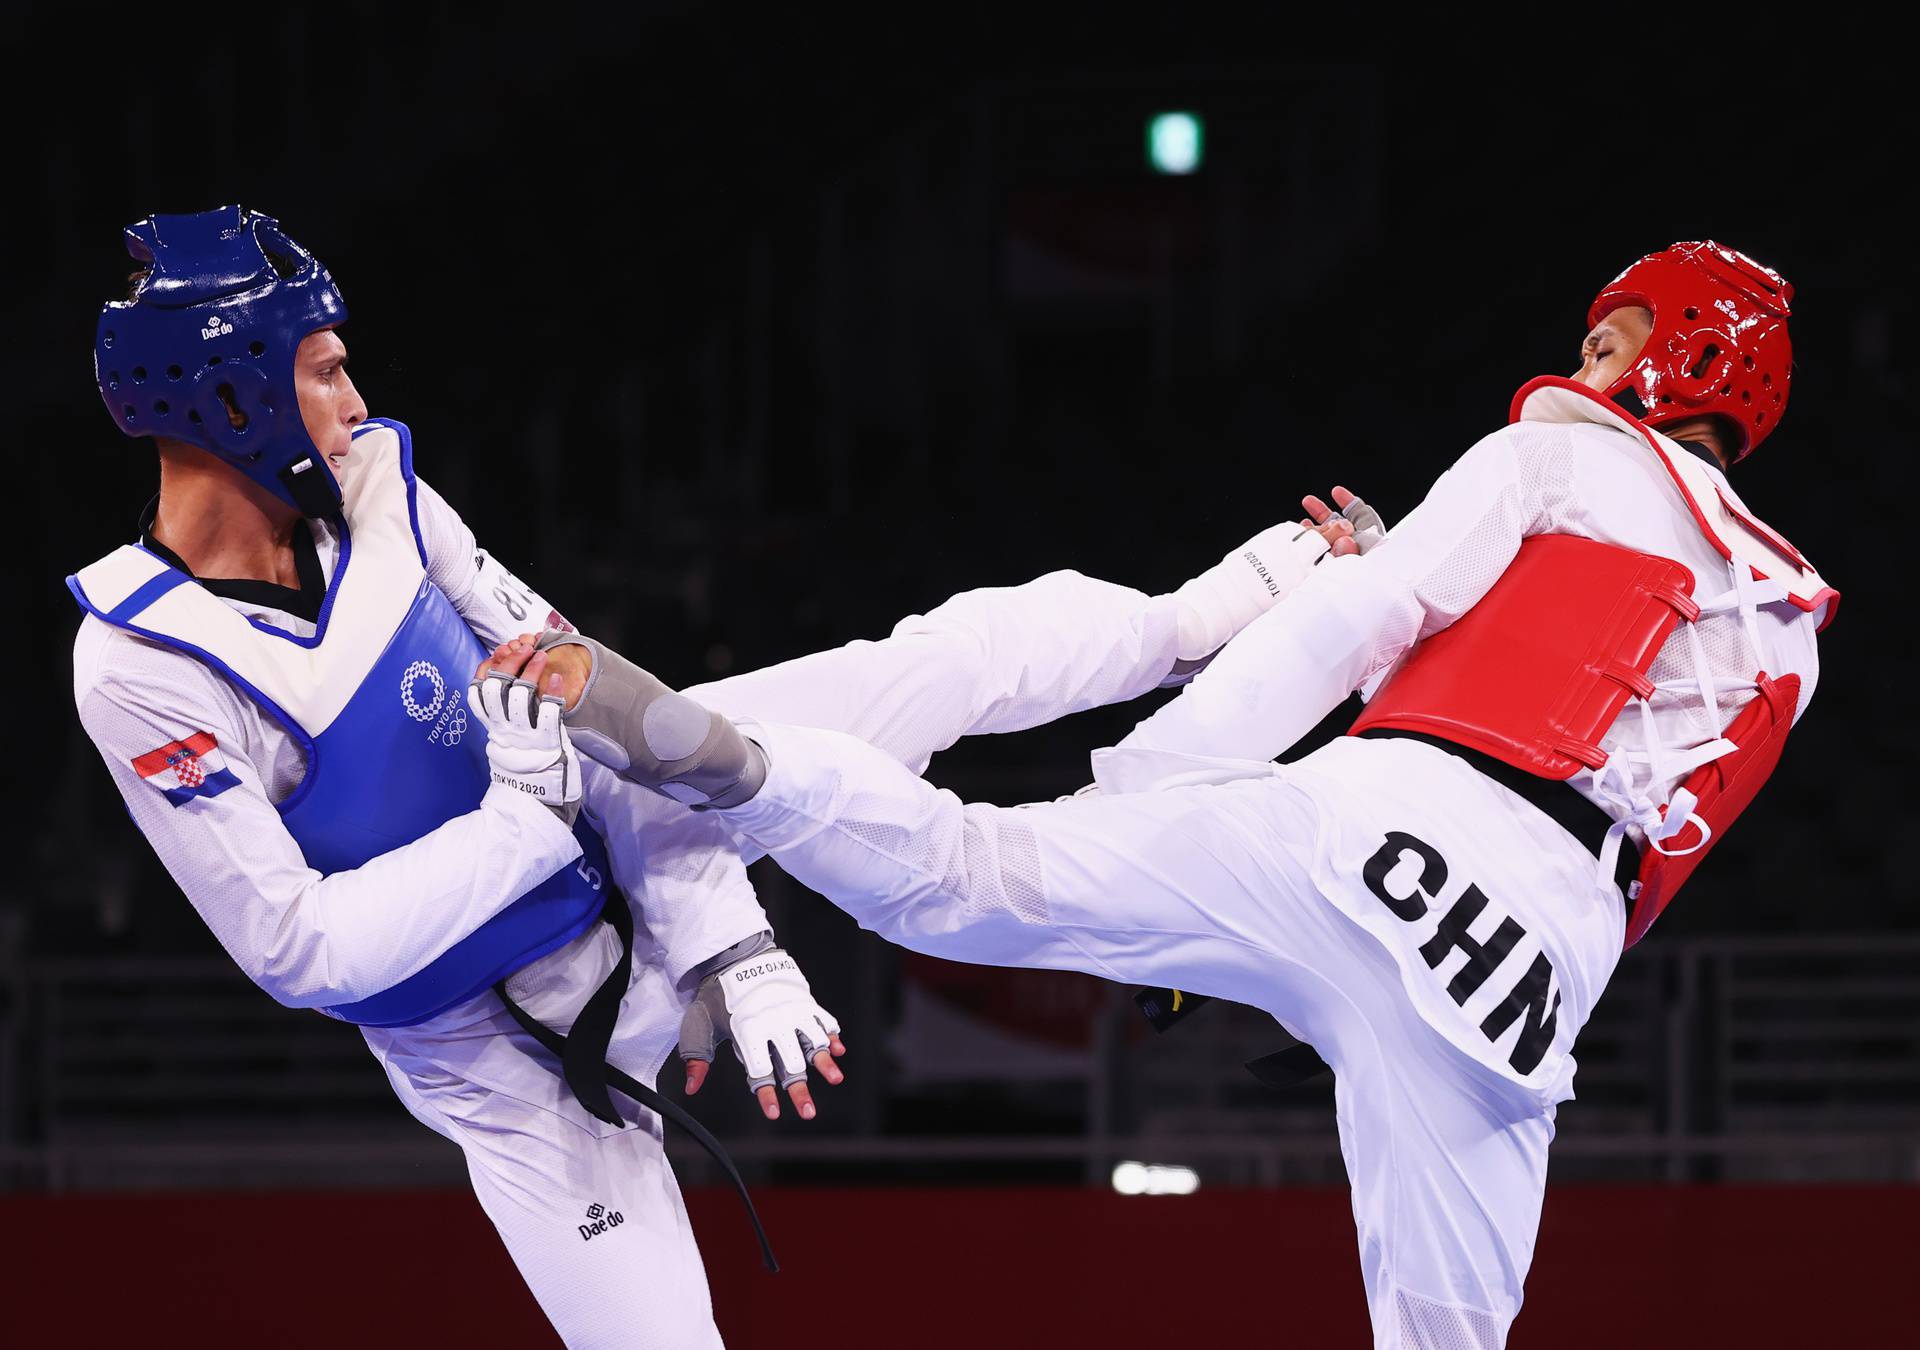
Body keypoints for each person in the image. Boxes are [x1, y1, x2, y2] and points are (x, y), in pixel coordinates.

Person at [68, 205, 1363, 1347]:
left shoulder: (383, 488)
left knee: (947, 654)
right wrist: (525, 815)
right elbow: (306, 951)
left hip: (617, 826)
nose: (354, 396)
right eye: (325, 366)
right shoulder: (140, 660)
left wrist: (724, 940)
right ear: (228, 388)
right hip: (497, 1052)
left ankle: (1198, 620)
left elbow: (589, 692)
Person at [528, 241, 1836, 1348]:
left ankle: (734, 758)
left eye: (1614, 343)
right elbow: (1651, 862)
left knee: (971, 877)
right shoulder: (1791, 627)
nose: (1590, 367)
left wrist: (1147, 786)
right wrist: (1402, 1000)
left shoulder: (1549, 460)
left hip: (1371, 828)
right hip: (1530, 978)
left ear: (1686, 358)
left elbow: (1351, 628)